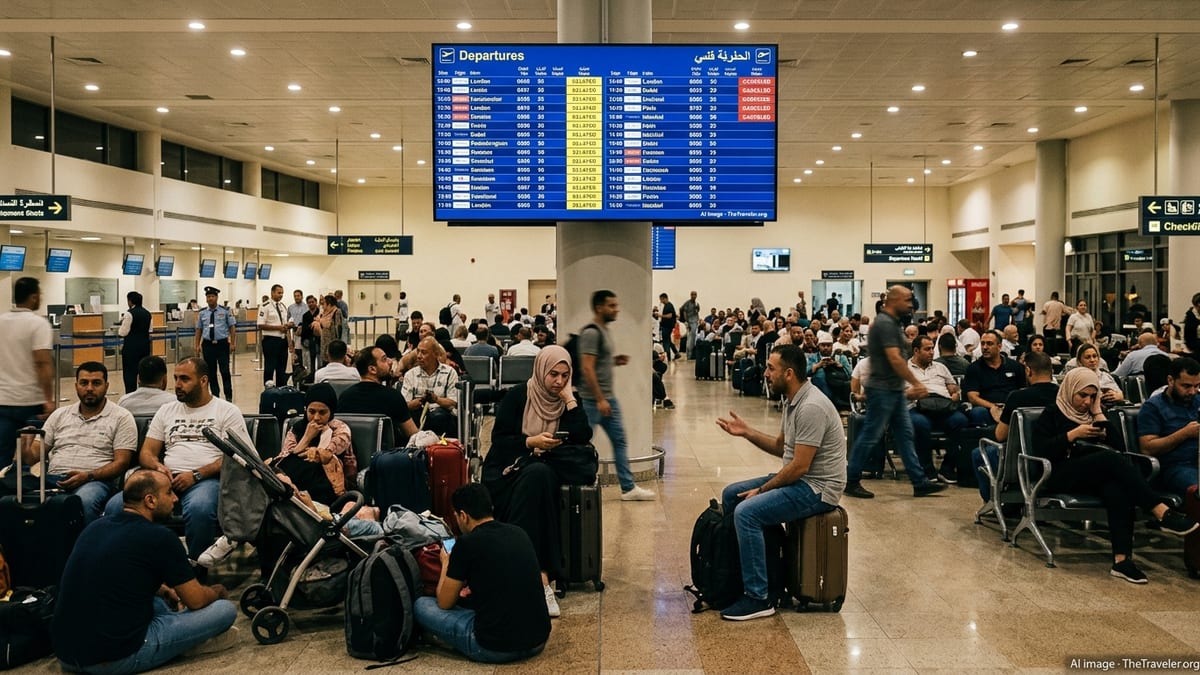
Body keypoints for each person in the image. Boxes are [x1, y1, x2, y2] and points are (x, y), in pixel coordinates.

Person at [53, 470, 237, 674]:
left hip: (67, 654)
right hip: (113, 659)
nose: (175, 499)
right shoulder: (161, 537)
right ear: (150, 500)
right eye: (169, 493)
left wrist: (164, 590)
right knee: (223, 610)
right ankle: (184, 641)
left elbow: (116, 574)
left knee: (157, 601)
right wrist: (217, 591)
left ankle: (178, 632)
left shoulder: (95, 527)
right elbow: (196, 600)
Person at [715, 344, 846, 621]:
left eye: (770, 368)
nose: (765, 374)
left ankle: (758, 597)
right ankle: (755, 575)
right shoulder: (793, 399)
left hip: (818, 489)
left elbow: (800, 466)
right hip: (801, 479)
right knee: (731, 495)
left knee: (746, 511)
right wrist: (746, 432)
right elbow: (780, 447)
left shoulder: (811, 406)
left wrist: (762, 490)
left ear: (788, 373)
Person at [1032, 368, 1198, 583]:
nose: (1087, 401)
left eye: (1093, 396)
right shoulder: (1052, 413)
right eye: (1082, 395)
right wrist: (1072, 435)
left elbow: (1121, 448)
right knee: (1109, 461)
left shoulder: (1094, 413)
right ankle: (1160, 511)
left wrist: (1099, 413)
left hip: (1093, 474)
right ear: (1069, 390)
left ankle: (1122, 560)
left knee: (1117, 489)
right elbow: (1041, 451)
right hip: (1059, 473)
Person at [103, 357, 254, 567]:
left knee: (200, 508)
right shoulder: (167, 410)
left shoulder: (226, 411)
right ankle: (131, 566)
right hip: (165, 478)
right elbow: (147, 452)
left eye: (184, 379)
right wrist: (157, 467)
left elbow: (239, 456)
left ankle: (194, 570)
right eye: (175, 378)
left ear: (203, 381)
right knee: (116, 506)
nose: (178, 385)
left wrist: (197, 474)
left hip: (205, 479)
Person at [482, 346, 591, 616]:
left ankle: (529, 573)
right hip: (508, 469)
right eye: (553, 374)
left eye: (565, 376)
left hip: (544, 470)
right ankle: (542, 578)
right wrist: (531, 442)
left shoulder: (567, 400)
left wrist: (570, 400)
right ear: (541, 370)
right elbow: (500, 440)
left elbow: (582, 435)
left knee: (538, 478)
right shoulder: (519, 395)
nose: (559, 381)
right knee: (535, 481)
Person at [414, 483, 550, 664]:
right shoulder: (519, 533)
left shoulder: (466, 544)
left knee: (422, 605)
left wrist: (446, 563)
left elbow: (444, 602)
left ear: (463, 516)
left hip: (493, 647)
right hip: (537, 639)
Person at [844, 286, 947, 499]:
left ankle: (919, 482)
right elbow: (894, 358)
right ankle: (851, 479)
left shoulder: (891, 322)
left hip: (892, 388)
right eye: (908, 299)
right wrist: (915, 382)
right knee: (871, 435)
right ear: (895, 300)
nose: (911, 304)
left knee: (905, 434)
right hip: (882, 389)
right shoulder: (884, 324)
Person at [24, 362, 136, 523]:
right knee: (15, 494)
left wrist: (88, 476)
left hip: (94, 481)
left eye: (96, 383)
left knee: (84, 502)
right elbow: (32, 457)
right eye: (84, 383)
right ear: (76, 386)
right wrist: (25, 447)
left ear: (106, 386)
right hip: (53, 478)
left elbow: (122, 462)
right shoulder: (60, 414)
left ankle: (85, 547)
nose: (89, 388)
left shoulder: (121, 417)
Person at [578, 290, 655, 501]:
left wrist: (613, 360)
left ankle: (628, 488)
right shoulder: (592, 333)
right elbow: (587, 368)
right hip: (593, 401)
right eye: (611, 305)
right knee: (581, 443)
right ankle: (575, 482)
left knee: (619, 441)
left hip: (606, 399)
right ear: (599, 308)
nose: (616, 309)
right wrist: (600, 398)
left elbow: (597, 363)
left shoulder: (603, 331)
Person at [972, 351, 1059, 503]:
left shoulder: (1017, 397)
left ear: (1028, 370)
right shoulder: (1061, 395)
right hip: (1055, 456)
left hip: (1021, 458)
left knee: (979, 453)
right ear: (1051, 370)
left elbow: (1000, 435)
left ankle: (994, 500)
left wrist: (1001, 419)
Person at [0, 277, 54, 463]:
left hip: (3, 399)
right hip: (31, 400)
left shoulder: (1, 321)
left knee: (3, 454)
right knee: (32, 453)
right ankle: (25, 487)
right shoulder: (38, 324)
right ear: (32, 297)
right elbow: (42, 363)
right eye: (39, 294)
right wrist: (48, 398)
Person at [1136, 357, 1200, 501]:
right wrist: (1184, 433)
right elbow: (1147, 448)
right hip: (1175, 467)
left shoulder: (1197, 400)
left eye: (1196, 386)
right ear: (1171, 380)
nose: (1192, 391)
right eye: (1186, 386)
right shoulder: (1153, 407)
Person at [906, 335, 967, 484]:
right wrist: (912, 393)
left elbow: (953, 387)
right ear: (916, 350)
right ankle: (927, 469)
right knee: (920, 424)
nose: (932, 352)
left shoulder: (940, 367)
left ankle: (947, 468)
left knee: (961, 421)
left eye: (933, 348)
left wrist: (955, 394)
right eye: (927, 349)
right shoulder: (905, 369)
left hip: (942, 406)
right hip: (917, 406)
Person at [338, 346, 419, 447]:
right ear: (372, 369)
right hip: (386, 458)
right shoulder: (392, 396)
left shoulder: (344, 397)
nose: (390, 362)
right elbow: (413, 435)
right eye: (384, 359)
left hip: (353, 456)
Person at [962, 330, 1027, 427]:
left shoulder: (1015, 366)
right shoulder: (974, 368)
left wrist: (1008, 407)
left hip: (1011, 408)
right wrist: (993, 407)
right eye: (982, 343)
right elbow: (973, 397)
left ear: (999, 346)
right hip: (986, 408)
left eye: (989, 344)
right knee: (978, 412)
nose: (984, 347)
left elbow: (1022, 391)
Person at [401, 336, 461, 437]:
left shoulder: (450, 372)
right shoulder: (410, 374)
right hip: (417, 416)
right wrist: (419, 401)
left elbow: (453, 403)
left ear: (436, 354)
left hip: (442, 418)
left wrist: (436, 399)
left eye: (424, 352)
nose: (419, 356)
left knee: (439, 416)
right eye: (418, 352)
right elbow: (404, 405)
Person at [193, 286, 236, 402]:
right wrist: (197, 345)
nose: (210, 299)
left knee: (225, 371)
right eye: (208, 297)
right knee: (211, 372)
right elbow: (199, 330)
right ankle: (215, 396)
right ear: (206, 299)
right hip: (208, 345)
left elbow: (232, 327)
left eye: (212, 296)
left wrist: (232, 342)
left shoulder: (225, 310)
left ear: (217, 298)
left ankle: (228, 396)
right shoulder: (202, 313)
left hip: (222, 345)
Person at [118, 291, 152, 395]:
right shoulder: (148, 313)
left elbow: (123, 332)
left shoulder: (129, 314)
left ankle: (130, 394)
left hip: (131, 348)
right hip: (145, 347)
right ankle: (143, 393)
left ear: (130, 301)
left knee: (130, 373)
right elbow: (150, 330)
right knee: (143, 371)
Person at [258, 283, 292, 386]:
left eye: (282, 293)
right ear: (272, 292)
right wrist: (278, 328)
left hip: (282, 341)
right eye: (279, 293)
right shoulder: (265, 306)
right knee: (270, 368)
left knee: (281, 369)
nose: (281, 295)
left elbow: (284, 322)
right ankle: (269, 391)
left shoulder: (282, 306)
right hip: (271, 341)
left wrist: (288, 325)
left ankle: (280, 391)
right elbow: (260, 325)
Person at [315, 293, 343, 363]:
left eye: (324, 303)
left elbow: (338, 328)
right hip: (325, 342)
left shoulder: (336, 312)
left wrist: (337, 343)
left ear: (329, 304)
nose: (322, 305)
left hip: (332, 343)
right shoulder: (324, 313)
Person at [287, 289, 307, 378]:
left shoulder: (306, 307)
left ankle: (304, 373)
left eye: (298, 296)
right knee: (296, 355)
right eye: (295, 296)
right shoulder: (290, 307)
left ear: (302, 296)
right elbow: (288, 320)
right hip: (294, 333)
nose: (296, 297)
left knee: (304, 355)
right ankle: (296, 374)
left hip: (304, 333)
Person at [658, 292, 679, 361]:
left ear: (665, 298)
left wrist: (660, 315)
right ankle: (676, 353)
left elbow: (670, 315)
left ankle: (668, 357)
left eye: (661, 299)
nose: (660, 301)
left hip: (667, 327)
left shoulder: (669, 306)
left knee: (665, 342)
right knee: (668, 341)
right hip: (667, 326)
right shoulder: (667, 306)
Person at [680, 290, 701, 359]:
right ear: (690, 295)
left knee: (693, 339)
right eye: (692, 294)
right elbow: (684, 311)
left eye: (695, 294)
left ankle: (691, 355)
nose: (694, 296)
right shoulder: (687, 303)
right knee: (690, 339)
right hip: (690, 322)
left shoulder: (696, 303)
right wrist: (686, 322)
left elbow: (697, 312)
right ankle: (688, 355)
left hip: (695, 322)